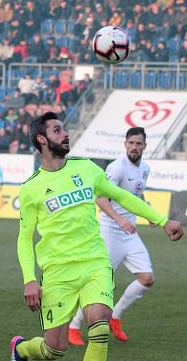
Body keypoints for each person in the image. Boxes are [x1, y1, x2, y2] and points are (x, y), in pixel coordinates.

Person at [9, 112, 183, 361]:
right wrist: (30, 280)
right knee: (54, 349)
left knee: (99, 326)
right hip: (58, 272)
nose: (65, 134)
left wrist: (162, 221)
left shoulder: (86, 169)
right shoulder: (32, 188)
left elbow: (123, 197)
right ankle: (21, 349)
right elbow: (24, 238)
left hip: (94, 263)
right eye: (57, 130)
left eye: (64, 128)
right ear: (41, 139)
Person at [67, 126, 155, 346]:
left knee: (147, 279)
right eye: (131, 143)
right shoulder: (116, 168)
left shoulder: (145, 168)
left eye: (139, 143)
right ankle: (74, 327)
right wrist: (119, 219)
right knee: (100, 284)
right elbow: (100, 198)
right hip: (110, 233)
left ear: (145, 146)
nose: (134, 147)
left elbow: (137, 193)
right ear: (125, 144)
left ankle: (115, 317)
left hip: (130, 233)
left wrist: (148, 212)